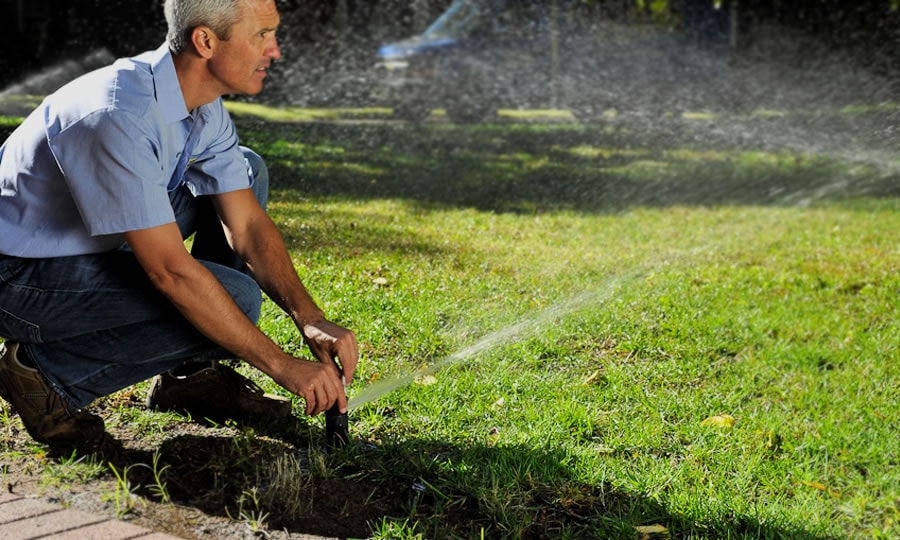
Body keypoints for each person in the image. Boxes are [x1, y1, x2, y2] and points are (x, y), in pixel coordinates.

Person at [0, 0, 358, 446]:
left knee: (247, 169)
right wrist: (283, 366)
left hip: (80, 244)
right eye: (261, 35)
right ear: (205, 41)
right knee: (236, 298)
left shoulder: (199, 105)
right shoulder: (118, 115)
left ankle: (188, 376)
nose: (275, 51)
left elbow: (245, 226)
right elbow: (169, 273)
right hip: (16, 274)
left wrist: (310, 318)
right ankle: (42, 374)